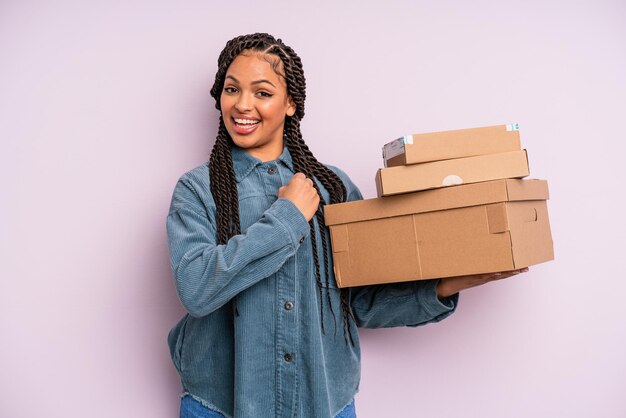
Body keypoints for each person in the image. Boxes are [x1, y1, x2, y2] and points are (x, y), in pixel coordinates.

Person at [166, 33, 526, 418]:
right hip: (221, 404)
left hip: (323, 401)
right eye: (232, 89)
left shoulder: (332, 187)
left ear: (290, 104)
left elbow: (360, 301)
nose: (242, 104)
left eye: (262, 93)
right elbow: (197, 288)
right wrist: (288, 217)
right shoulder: (197, 189)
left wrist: (447, 286)